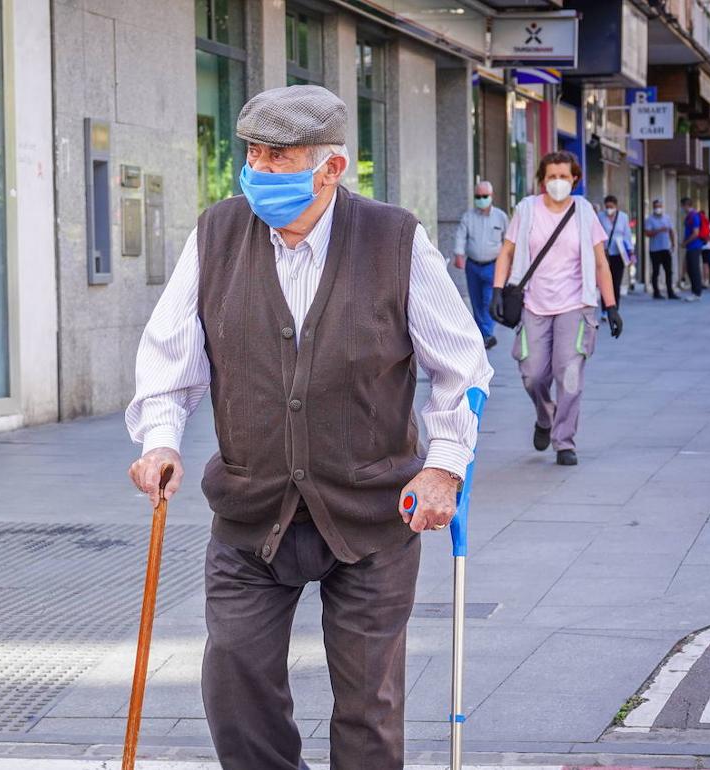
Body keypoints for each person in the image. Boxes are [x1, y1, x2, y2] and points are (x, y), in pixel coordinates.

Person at [125, 85, 493, 770]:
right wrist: (160, 440)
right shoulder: (217, 233)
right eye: (254, 154)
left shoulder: (394, 239)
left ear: (332, 168)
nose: (260, 170)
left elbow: (461, 365)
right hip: (251, 508)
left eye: (280, 157)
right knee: (235, 685)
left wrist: (444, 467)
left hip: (373, 512)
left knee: (367, 708)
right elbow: (169, 355)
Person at [489, 151, 622, 467]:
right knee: (533, 375)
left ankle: (564, 441)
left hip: (576, 306)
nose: (558, 182)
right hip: (534, 304)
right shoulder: (526, 210)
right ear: (542, 180)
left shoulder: (585, 212)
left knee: (570, 375)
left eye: (564, 176)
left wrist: (611, 306)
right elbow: (507, 252)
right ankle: (545, 416)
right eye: (552, 177)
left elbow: (600, 262)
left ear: (574, 179)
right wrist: (497, 290)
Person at [454, 180, 509, 349]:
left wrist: (510, 263)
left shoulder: (501, 217)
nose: (481, 199)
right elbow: (461, 235)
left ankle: (487, 334)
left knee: (488, 300)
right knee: (476, 302)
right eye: (478, 196)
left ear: (491, 196)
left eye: (484, 196)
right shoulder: (468, 217)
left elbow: (508, 241)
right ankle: (483, 335)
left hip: (493, 266)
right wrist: (459, 254)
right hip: (473, 266)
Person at [597, 195, 634, 307]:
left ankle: (615, 307)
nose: (609, 209)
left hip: (619, 253)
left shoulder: (623, 217)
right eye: (607, 207)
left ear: (616, 206)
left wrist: (630, 252)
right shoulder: (600, 216)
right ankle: (605, 309)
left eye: (611, 207)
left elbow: (627, 235)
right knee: (605, 282)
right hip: (604, 253)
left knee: (616, 282)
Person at [644, 198, 678, 300]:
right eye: (656, 207)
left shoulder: (667, 218)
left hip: (665, 248)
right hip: (655, 249)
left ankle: (670, 292)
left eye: (659, 206)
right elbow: (647, 233)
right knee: (656, 271)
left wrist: (673, 243)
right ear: (653, 207)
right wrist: (659, 230)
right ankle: (656, 292)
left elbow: (671, 231)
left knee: (668, 271)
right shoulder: (649, 219)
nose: (658, 208)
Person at [681, 197, 706, 301]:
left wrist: (685, 242)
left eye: (682, 206)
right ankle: (695, 291)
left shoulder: (694, 216)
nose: (681, 208)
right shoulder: (689, 216)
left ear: (686, 205)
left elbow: (695, 233)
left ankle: (697, 293)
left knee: (694, 269)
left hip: (694, 246)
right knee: (690, 269)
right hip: (690, 247)